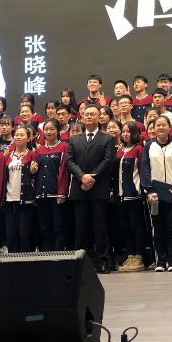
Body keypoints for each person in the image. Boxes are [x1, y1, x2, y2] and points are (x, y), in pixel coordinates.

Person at [66, 105, 115, 273]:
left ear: (99, 117)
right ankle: (81, 264)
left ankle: (103, 261)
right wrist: (82, 177)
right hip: (79, 188)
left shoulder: (107, 138)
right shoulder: (74, 139)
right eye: (86, 114)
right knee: (80, 229)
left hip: (99, 188)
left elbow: (107, 161)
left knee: (100, 227)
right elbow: (69, 161)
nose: (89, 117)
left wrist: (91, 178)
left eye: (92, 114)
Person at [141, 114, 172, 272]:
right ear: (153, 128)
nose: (160, 127)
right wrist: (149, 190)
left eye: (163, 125)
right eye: (157, 125)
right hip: (155, 194)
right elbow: (145, 169)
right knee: (157, 228)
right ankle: (160, 260)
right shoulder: (149, 146)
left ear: (169, 127)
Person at [115, 121, 146, 273]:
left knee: (136, 227)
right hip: (120, 195)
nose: (125, 134)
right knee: (125, 227)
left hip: (134, 195)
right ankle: (130, 255)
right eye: (123, 131)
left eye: (128, 131)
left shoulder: (138, 150)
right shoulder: (120, 150)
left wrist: (141, 190)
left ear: (134, 133)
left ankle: (139, 257)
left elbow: (143, 171)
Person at [35, 119, 70, 251]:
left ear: (58, 131)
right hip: (41, 194)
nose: (48, 132)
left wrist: (62, 193)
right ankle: (47, 256)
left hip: (56, 194)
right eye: (46, 129)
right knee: (44, 228)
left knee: (58, 227)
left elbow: (64, 171)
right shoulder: (39, 150)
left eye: (52, 129)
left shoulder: (64, 147)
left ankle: (59, 256)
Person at [2, 127, 38, 253]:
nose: (18, 137)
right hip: (9, 199)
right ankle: (12, 261)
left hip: (25, 199)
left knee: (24, 234)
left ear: (28, 138)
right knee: (11, 235)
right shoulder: (7, 156)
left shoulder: (32, 154)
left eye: (22, 135)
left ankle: (25, 262)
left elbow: (35, 177)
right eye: (16, 135)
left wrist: (32, 172)